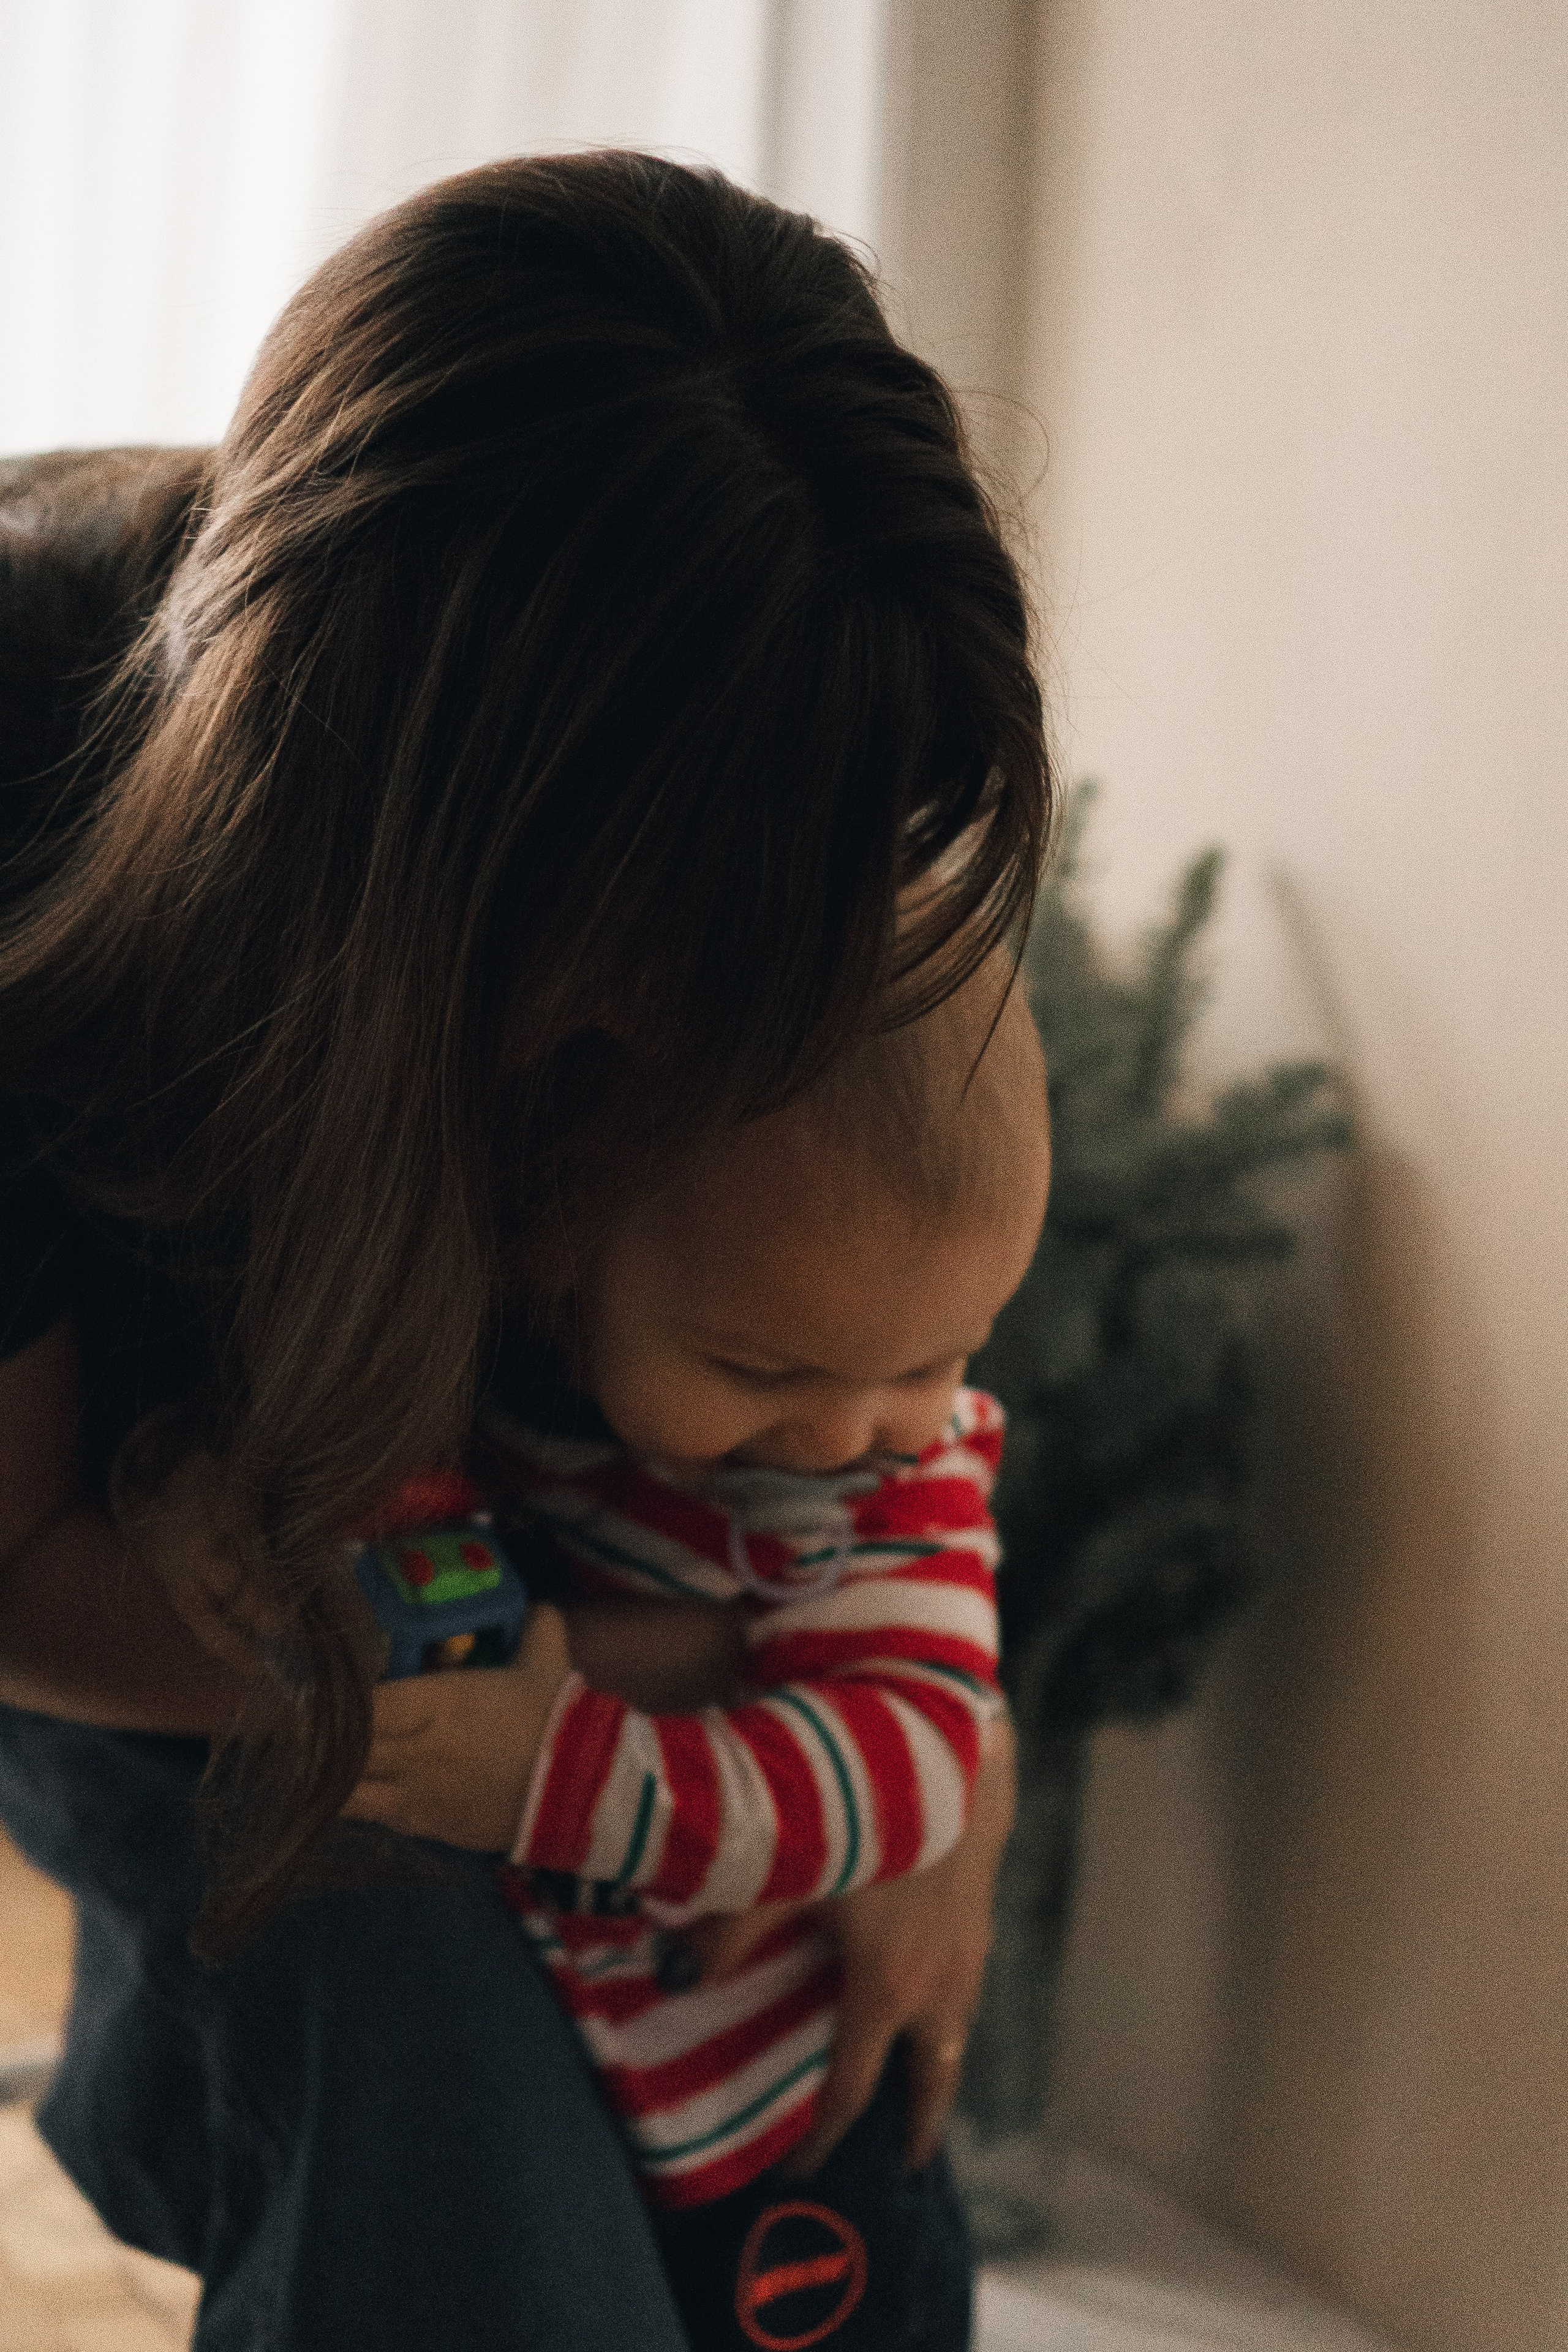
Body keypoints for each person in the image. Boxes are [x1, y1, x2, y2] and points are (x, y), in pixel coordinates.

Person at [0, 151, 1049, 2351]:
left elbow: (882, 1327)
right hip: (142, 1567)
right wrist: (636, 1707)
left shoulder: (740, 759)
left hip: (499, 1615)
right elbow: (24, 1577)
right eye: (657, 973)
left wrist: (924, 1745)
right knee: (474, 2202)